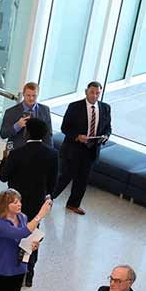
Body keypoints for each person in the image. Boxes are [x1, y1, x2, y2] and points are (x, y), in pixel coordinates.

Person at [60, 81, 112, 214]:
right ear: (86, 92)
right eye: (92, 92)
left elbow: (108, 128)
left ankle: (73, 204)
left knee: (82, 179)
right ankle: (48, 198)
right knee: (65, 176)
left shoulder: (105, 108)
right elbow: (64, 128)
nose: (94, 96)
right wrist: (77, 136)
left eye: (97, 93)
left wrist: (106, 136)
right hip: (74, 148)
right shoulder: (74, 107)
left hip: (91, 150)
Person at [0, 115, 61, 220]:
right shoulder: (53, 154)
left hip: (16, 200)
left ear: (26, 133)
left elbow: (3, 176)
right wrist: (48, 197)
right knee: (33, 229)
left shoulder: (16, 154)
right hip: (38, 201)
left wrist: (5, 158)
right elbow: (53, 180)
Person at [0, 80, 47, 149]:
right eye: (28, 95)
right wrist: (17, 126)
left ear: (38, 95)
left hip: (37, 150)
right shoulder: (11, 112)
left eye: (34, 95)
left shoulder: (45, 110)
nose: (31, 98)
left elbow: (48, 134)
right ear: (23, 94)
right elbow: (3, 134)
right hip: (17, 149)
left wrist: (49, 152)